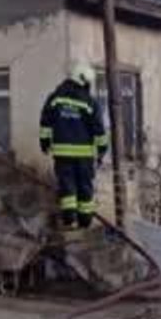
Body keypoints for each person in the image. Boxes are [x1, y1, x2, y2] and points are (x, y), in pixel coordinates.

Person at [39, 63, 108, 229]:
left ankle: (69, 219)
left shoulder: (55, 98)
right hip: (84, 155)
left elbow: (45, 123)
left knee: (67, 184)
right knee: (84, 186)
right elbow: (98, 129)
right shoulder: (89, 103)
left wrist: (45, 143)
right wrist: (101, 150)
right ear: (83, 80)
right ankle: (85, 221)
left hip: (62, 153)